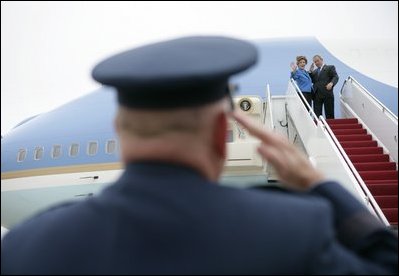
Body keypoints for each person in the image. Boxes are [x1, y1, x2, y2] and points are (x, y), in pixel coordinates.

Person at [1, 36, 397, 275]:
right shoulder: (295, 231)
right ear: (220, 133)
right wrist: (321, 185)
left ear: (120, 130)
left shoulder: (29, 246)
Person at [309, 54, 339, 119]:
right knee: (317, 115)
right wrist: (310, 72)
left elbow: (335, 76)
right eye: (315, 62)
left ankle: (330, 128)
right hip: (317, 95)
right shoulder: (314, 71)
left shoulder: (330, 67)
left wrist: (331, 83)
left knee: (329, 114)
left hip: (327, 93)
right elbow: (311, 80)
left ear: (322, 60)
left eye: (317, 61)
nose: (316, 63)